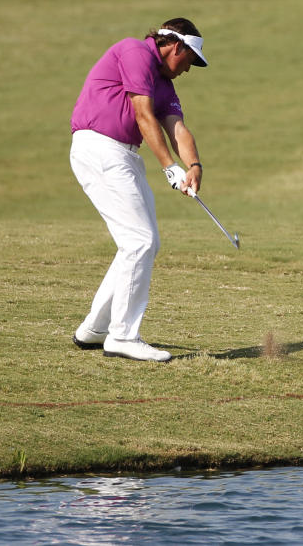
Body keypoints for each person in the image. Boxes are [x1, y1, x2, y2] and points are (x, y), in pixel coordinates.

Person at [68, 18, 209, 362]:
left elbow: (177, 129)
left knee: (144, 242)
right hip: (100, 147)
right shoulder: (134, 51)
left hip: (125, 156)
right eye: (189, 59)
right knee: (139, 241)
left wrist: (193, 166)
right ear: (175, 46)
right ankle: (123, 336)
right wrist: (168, 166)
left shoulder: (165, 85)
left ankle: (96, 329)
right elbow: (143, 115)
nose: (188, 69)